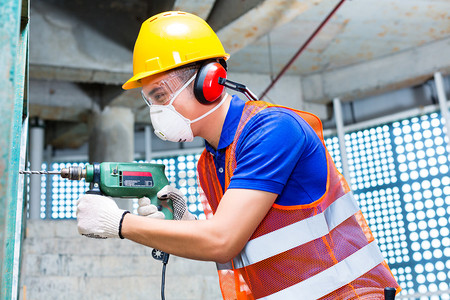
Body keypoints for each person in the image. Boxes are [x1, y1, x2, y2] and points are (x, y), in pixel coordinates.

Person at [76, 11, 400, 299]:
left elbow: (223, 240)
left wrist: (120, 223)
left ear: (210, 82)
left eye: (161, 95)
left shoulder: (272, 131)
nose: (157, 110)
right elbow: (238, 247)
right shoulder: (211, 162)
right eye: (151, 101)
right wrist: (187, 226)